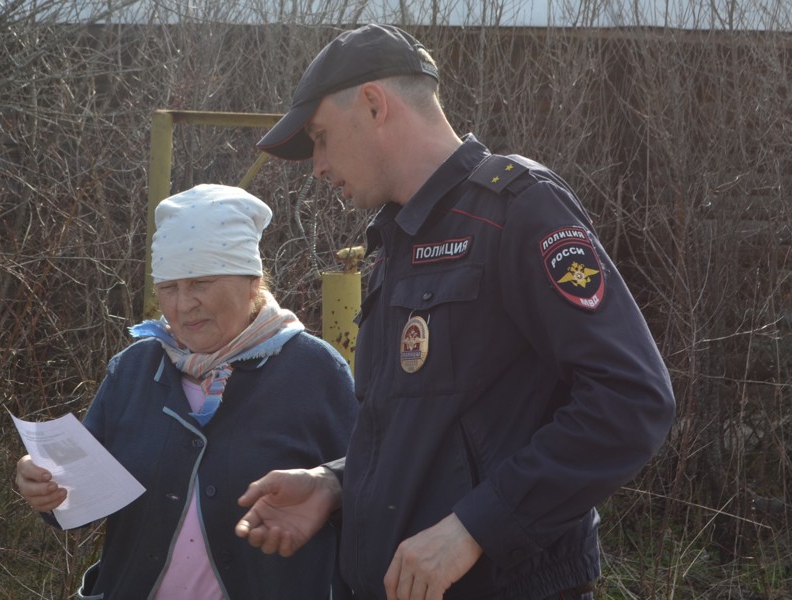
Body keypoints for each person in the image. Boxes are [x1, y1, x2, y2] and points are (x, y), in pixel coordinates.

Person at [235, 24, 676, 600]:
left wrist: (477, 527)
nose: (317, 165)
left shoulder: (517, 210)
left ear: (373, 104)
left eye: (320, 137)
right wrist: (334, 483)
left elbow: (631, 400)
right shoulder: (395, 241)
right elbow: (438, 433)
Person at [16, 184, 358, 599]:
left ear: (252, 282)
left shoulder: (313, 371)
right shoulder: (135, 370)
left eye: (201, 282)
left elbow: (369, 490)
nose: (182, 305)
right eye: (169, 287)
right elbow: (77, 505)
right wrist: (46, 487)